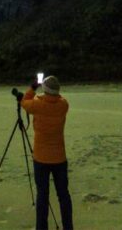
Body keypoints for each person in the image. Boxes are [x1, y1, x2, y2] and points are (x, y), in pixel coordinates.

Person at [21, 75, 73, 230]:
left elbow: (24, 101)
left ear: (45, 90)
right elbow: (59, 99)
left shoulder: (38, 105)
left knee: (42, 197)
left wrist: (33, 87)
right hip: (59, 158)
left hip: (41, 158)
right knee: (63, 195)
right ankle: (68, 227)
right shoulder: (64, 105)